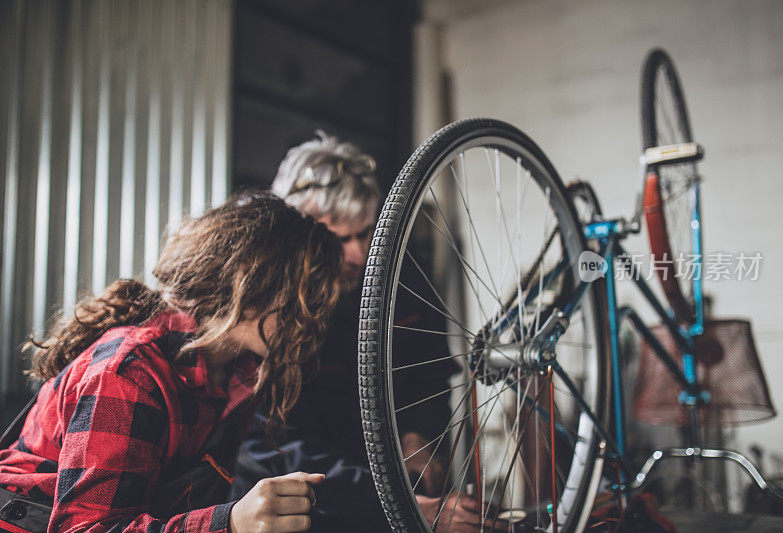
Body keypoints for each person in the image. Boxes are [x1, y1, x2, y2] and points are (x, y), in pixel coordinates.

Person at [0, 193, 342, 532]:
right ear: (250, 285)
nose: (313, 320)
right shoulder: (130, 372)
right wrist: (231, 523)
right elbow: (84, 529)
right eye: (303, 297)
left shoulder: (240, 373)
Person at [232, 132, 494, 532]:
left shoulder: (403, 277)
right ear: (294, 235)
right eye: (339, 238)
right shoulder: (268, 306)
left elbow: (432, 375)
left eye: (366, 231)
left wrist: (418, 438)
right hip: (291, 506)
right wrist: (391, 505)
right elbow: (278, 446)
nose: (359, 253)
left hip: (390, 486)